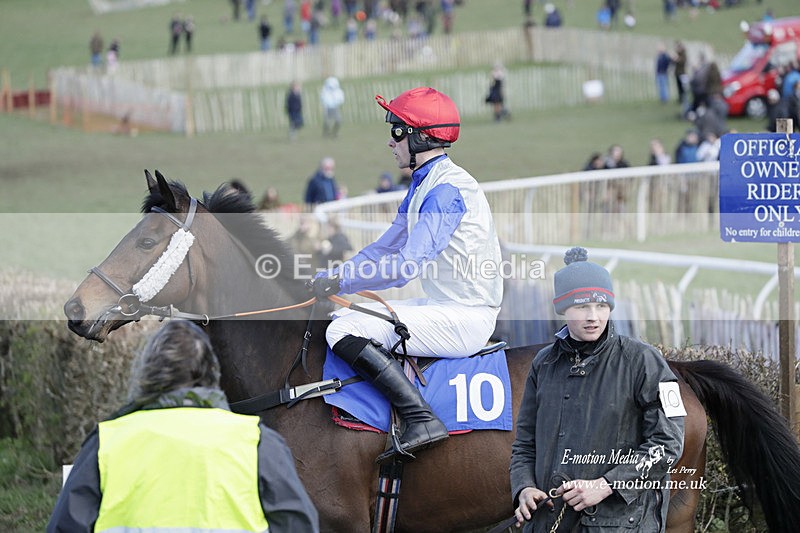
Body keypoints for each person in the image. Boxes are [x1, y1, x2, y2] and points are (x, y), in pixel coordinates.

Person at [308, 87, 504, 461]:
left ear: (419, 137)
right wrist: (332, 275)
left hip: (466, 317)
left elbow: (403, 267)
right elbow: (383, 248)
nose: (390, 141)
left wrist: (343, 281)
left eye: (397, 132)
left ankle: (421, 419)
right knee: (343, 316)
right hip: (446, 305)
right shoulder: (424, 184)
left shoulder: (445, 191)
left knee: (342, 330)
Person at [47, 320, 319, 533]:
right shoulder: (257, 441)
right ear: (212, 373)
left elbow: (66, 526)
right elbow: (298, 525)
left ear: (145, 375)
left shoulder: (107, 441)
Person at [510, 247, 685, 532]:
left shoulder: (645, 361)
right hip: (548, 522)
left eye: (601, 306)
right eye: (582, 307)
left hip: (619, 525)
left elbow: (667, 445)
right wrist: (524, 487)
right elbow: (524, 444)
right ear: (563, 309)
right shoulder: (543, 364)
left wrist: (606, 485)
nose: (593, 316)